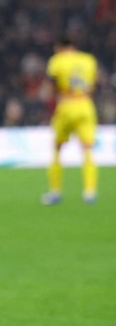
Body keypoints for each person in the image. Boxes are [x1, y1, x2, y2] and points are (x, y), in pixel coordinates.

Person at [42, 37, 99, 205]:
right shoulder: (88, 59)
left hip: (66, 104)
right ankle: (90, 192)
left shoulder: (57, 60)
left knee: (57, 148)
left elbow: (52, 82)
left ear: (60, 47)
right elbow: (93, 84)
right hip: (85, 104)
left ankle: (55, 191)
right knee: (87, 149)